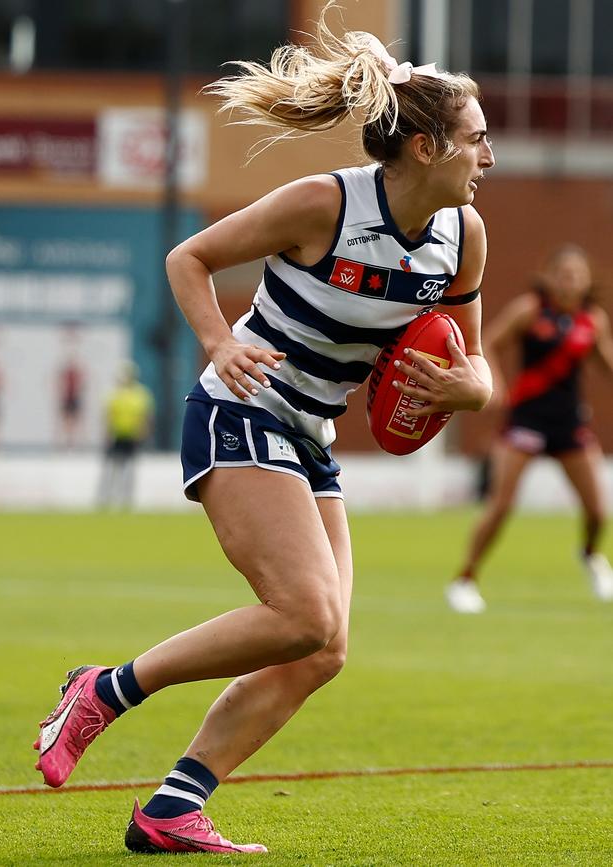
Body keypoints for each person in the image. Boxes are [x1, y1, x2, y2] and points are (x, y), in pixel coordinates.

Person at [33, 3, 495, 855]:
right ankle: (104, 687)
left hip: (307, 434)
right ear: (426, 147)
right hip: (239, 410)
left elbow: (476, 363)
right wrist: (218, 341)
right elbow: (189, 258)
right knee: (306, 611)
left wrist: (471, 390)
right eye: (476, 138)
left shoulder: (461, 238)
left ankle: (172, 807)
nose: (488, 156)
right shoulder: (324, 203)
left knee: (323, 646)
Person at [447, 244, 613, 614]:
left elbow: (606, 362)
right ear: (550, 277)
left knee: (598, 511)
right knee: (501, 505)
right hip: (525, 421)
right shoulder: (529, 310)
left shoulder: (593, 320)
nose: (570, 281)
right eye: (563, 274)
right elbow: (487, 341)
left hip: (569, 423)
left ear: (586, 281)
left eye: (577, 275)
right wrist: (496, 384)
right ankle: (465, 580)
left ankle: (589, 555)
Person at [96, 361, 155, 509]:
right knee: (111, 468)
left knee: (128, 469)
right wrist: (107, 433)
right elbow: (108, 415)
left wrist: (144, 431)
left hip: (132, 436)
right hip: (117, 436)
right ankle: (105, 497)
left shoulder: (140, 393)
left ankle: (125, 499)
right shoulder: (115, 393)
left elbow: (146, 416)